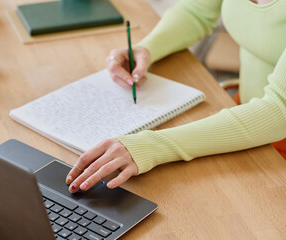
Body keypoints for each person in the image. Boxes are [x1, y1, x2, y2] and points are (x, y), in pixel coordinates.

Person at [66, 0, 286, 193]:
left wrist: (150, 146)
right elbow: (196, 12)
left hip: (275, 133)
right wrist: (147, 48)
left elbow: (280, 109)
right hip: (244, 112)